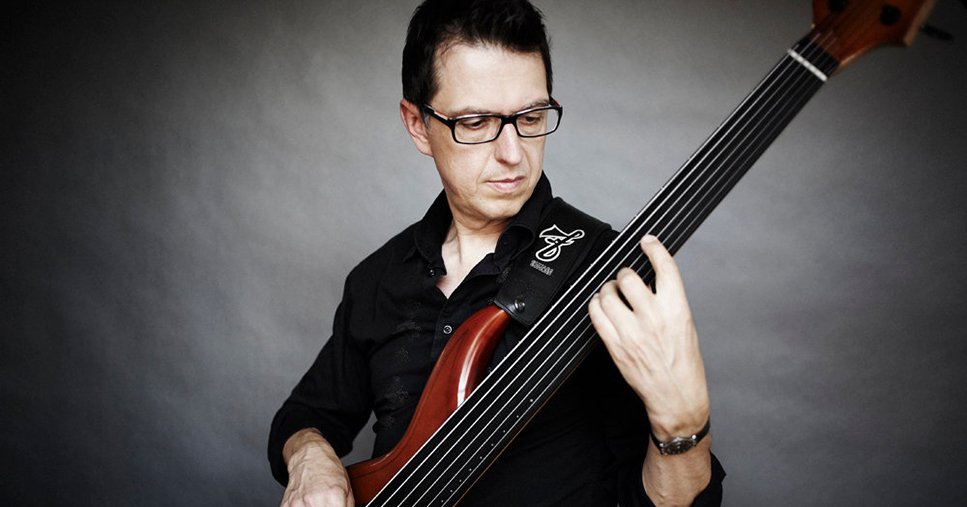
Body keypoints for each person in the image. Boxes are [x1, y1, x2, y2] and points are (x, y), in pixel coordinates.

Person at [268, 0, 725, 505]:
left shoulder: (611, 275)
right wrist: (308, 454)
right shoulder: (376, 279)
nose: (512, 153)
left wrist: (682, 427)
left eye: (530, 116)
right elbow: (305, 415)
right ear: (418, 124)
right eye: (476, 122)